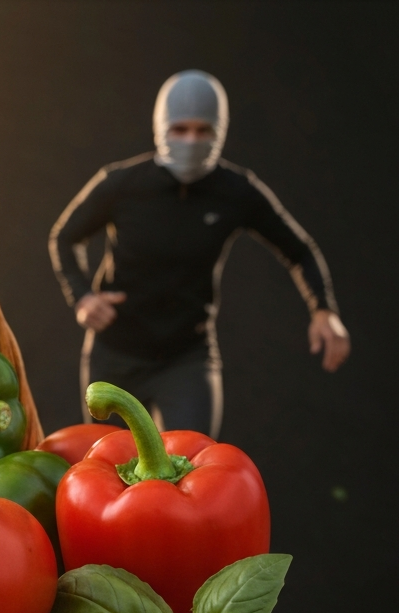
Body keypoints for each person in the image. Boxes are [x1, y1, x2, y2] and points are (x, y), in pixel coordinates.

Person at [48, 70, 350, 437]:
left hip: (187, 358)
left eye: (203, 131)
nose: (191, 140)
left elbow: (298, 250)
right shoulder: (123, 184)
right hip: (116, 354)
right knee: (108, 474)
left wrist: (323, 308)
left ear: (219, 131)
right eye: (180, 129)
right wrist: (82, 297)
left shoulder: (237, 191)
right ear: (161, 127)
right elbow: (64, 237)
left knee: (196, 467)